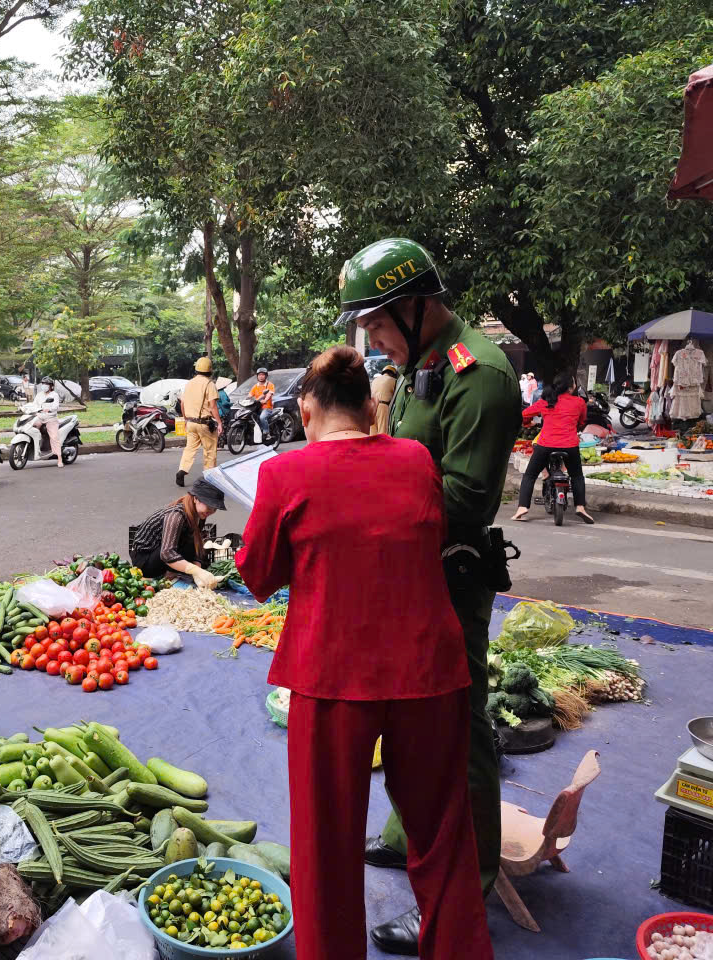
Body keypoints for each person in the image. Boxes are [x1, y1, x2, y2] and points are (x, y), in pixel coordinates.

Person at [236, 346, 492, 960]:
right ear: (370, 410)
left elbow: (258, 576)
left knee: (326, 845)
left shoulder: (283, 474)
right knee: (442, 835)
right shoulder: (416, 460)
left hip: (332, 675)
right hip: (429, 669)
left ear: (305, 410)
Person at [339, 237, 520, 955]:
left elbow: (465, 497)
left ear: (417, 306)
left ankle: (461, 889)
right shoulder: (421, 366)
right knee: (405, 714)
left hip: (450, 574)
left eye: (379, 322)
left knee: (459, 726)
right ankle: (409, 833)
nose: (374, 338)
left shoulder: (479, 374)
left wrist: (362, 494)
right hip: (408, 573)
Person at [512, 374, 596, 523]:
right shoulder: (579, 402)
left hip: (545, 445)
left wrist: (527, 422)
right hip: (570, 445)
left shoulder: (546, 401)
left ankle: (522, 508)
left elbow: (524, 414)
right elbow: (582, 421)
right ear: (571, 387)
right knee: (576, 476)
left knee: (530, 475)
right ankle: (580, 507)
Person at [128, 477, 226, 587]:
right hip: (145, 561)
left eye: (215, 508)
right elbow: (166, 553)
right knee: (177, 551)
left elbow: (196, 542)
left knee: (194, 544)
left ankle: (173, 571)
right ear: (195, 499)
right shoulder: (176, 515)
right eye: (209, 506)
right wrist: (196, 571)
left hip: (162, 552)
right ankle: (168, 572)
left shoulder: (199, 514)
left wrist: (197, 570)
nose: (211, 511)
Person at [176, 357, 222, 486]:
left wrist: (186, 419)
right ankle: (209, 477)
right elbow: (213, 406)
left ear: (196, 369)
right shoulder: (209, 384)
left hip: (190, 422)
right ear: (210, 370)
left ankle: (182, 470)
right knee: (210, 450)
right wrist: (219, 422)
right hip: (204, 423)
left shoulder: (189, 383)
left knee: (190, 448)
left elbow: (183, 403)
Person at [369, 365, 398, 436]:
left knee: (372, 432)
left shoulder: (375, 380)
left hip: (372, 406)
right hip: (383, 407)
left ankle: (372, 447)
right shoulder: (394, 381)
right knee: (382, 432)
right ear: (393, 374)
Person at [249, 367, 276, 436]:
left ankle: (266, 432)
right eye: (259, 375)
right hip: (257, 407)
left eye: (262, 375)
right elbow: (250, 395)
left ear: (266, 376)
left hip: (267, 407)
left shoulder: (270, 385)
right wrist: (244, 400)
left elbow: (269, 394)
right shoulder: (255, 386)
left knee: (262, 417)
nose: (261, 376)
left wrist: (265, 400)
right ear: (257, 376)